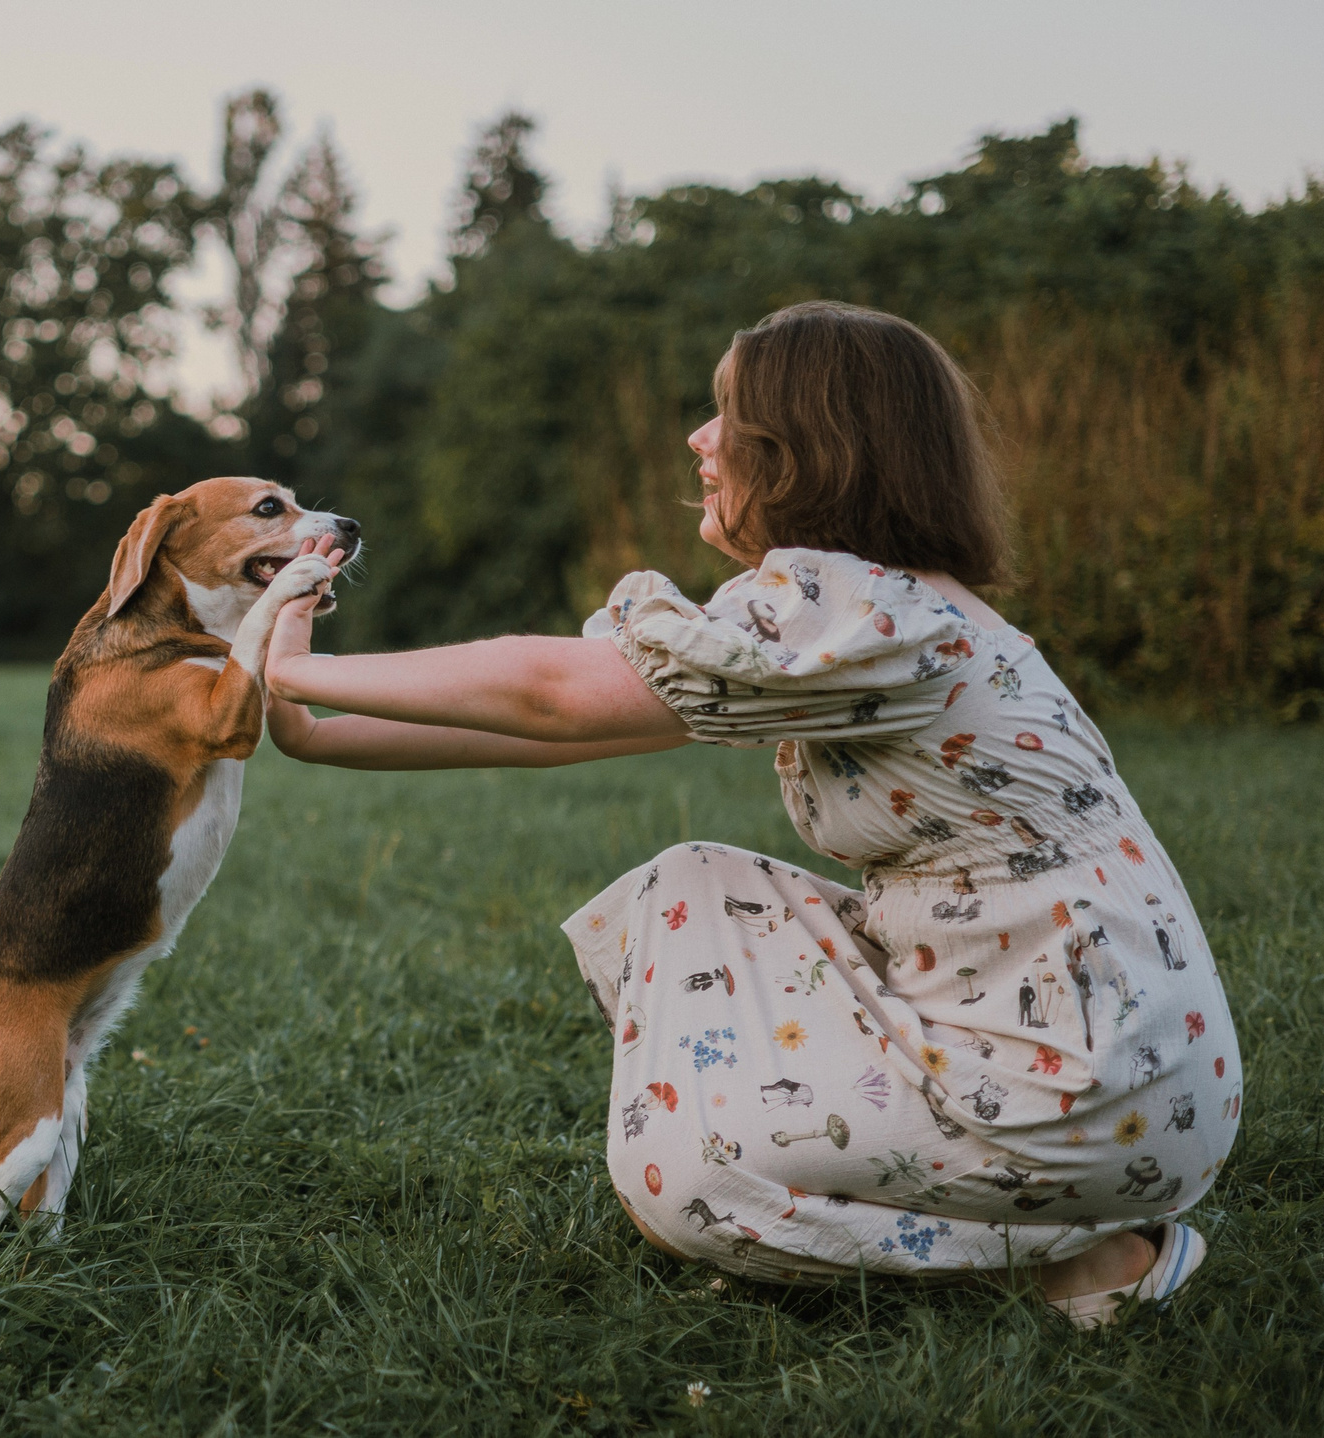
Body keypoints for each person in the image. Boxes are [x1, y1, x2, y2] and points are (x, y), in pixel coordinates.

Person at [259, 301, 1238, 1327]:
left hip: (1085, 1086)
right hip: (1118, 1060)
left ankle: (1085, 1256)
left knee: (686, 1175)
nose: (699, 440)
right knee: (695, 888)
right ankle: (1073, 1231)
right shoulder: (886, 607)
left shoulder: (849, 604)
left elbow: (552, 690)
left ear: (807, 449)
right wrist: (316, 722)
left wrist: (288, 667)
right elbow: (576, 723)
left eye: (726, 415)